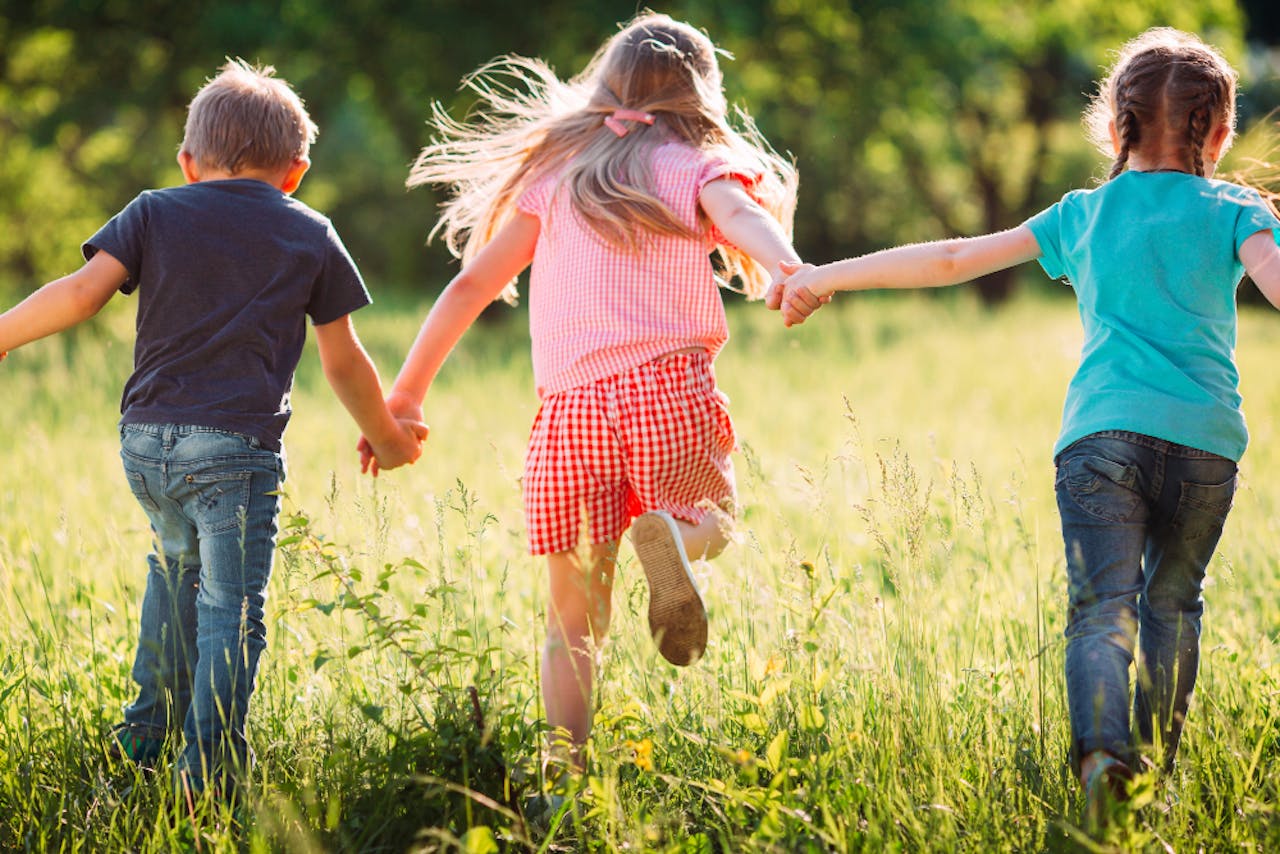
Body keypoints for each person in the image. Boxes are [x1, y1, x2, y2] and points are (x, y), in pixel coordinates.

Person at [773, 27, 1280, 826]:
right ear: (1219, 133)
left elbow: (949, 259)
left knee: (1100, 607)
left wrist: (824, 275)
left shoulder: (1083, 213)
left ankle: (1104, 759)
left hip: (1100, 441)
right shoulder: (1235, 208)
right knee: (1174, 605)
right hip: (1206, 446)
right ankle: (1153, 776)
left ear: (1113, 127)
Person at [363, 13, 802, 767]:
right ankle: (678, 542)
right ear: (700, 96)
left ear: (606, 87)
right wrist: (790, 266)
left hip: (569, 415)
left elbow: (470, 286)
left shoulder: (555, 174)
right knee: (717, 519)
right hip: (667, 388)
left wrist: (405, 395)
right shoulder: (693, 161)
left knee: (572, 623)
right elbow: (738, 213)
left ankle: (562, 776)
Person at [0, 59, 426, 798]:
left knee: (173, 579)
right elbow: (345, 362)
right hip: (235, 450)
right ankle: (210, 771)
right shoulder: (309, 231)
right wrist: (389, 438)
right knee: (230, 609)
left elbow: (79, 294)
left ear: (189, 162)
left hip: (145, 443)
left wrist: (2, 335)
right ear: (295, 171)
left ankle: (145, 735)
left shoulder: (153, 210)